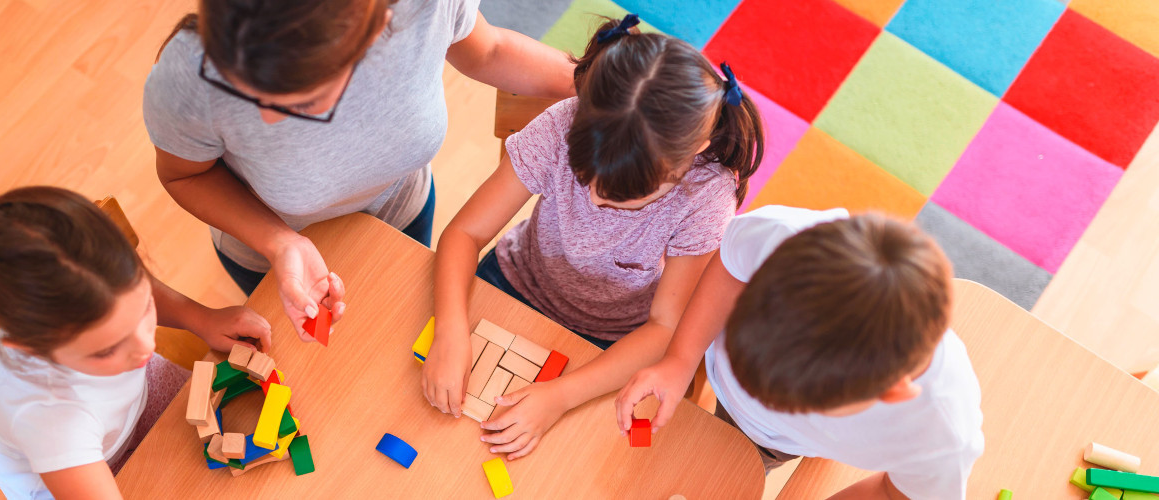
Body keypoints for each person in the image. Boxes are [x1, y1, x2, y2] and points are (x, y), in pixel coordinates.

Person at [422, 15, 763, 460]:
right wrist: (450, 329)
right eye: (587, 178)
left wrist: (560, 396)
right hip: (513, 282)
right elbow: (465, 233)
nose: (597, 200)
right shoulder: (561, 125)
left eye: (625, 196)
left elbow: (666, 326)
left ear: (690, 156)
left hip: (613, 340)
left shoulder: (706, 195)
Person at [143, 0, 576, 342]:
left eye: (296, 103)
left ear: (371, 33)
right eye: (244, 90)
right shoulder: (190, 73)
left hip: (400, 214)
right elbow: (186, 174)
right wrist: (280, 243)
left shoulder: (423, 8)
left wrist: (605, 83)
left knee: (394, 330)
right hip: (267, 257)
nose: (266, 120)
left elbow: (491, 50)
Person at [616, 206, 985, 499]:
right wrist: (681, 358)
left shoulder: (941, 438)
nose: (764, 400)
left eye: (799, 405)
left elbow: (893, 493)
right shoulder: (784, 237)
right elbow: (732, 264)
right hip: (732, 401)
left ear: (893, 393)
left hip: (774, 441)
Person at [0, 186, 271, 499]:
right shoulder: (48, 418)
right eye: (108, 347)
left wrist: (201, 319)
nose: (146, 348)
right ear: (35, 347)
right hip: (76, 474)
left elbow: (137, 288)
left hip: (131, 402)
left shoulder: (107, 307)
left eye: (142, 310)